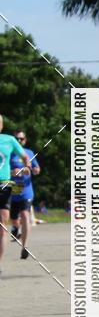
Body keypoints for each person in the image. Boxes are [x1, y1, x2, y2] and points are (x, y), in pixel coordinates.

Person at [0, 115, 30, 274]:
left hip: (4, 184)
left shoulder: (9, 140)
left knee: (2, 225)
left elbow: (25, 156)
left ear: (1, 125)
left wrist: (28, 165)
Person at [9, 131, 40, 259]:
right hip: (12, 190)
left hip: (26, 190)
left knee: (26, 216)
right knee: (14, 219)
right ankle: (15, 229)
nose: (19, 141)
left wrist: (33, 170)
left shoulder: (29, 153)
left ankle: (24, 247)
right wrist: (12, 172)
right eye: (17, 139)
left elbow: (36, 169)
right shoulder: (8, 153)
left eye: (21, 139)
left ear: (25, 140)